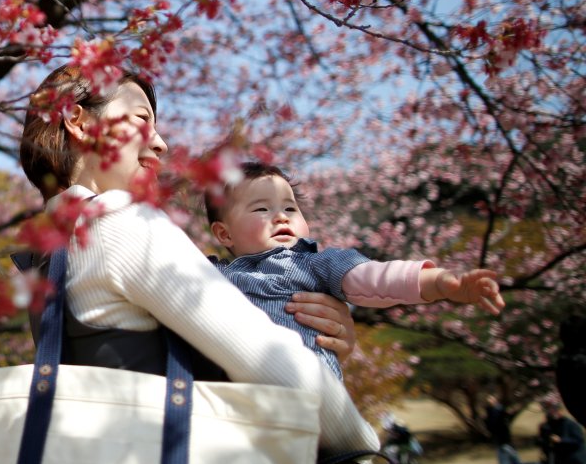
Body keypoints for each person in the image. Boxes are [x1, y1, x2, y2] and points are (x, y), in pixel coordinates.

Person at [17, 64, 379, 455]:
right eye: (142, 120)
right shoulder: (117, 217)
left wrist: (315, 340)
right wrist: (365, 447)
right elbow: (269, 361)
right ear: (79, 121)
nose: (161, 145)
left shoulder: (44, 254)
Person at [203, 161, 505, 377]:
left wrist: (441, 282)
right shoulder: (212, 275)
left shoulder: (315, 263)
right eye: (261, 209)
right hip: (240, 386)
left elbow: (375, 278)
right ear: (224, 234)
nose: (281, 217)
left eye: (291, 208)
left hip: (308, 380)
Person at [485, 394, 522, 464]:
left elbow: (506, 417)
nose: (489, 401)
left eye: (491, 399)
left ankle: (516, 463)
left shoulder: (500, 409)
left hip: (503, 434)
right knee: (500, 450)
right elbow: (489, 422)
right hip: (496, 434)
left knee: (507, 448)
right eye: (488, 400)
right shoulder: (490, 410)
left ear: (495, 400)